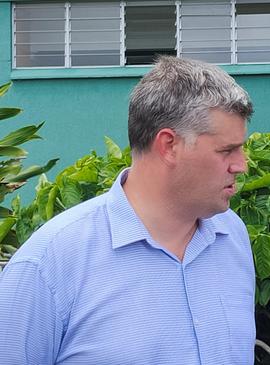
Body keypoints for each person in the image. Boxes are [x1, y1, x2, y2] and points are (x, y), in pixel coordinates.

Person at [0, 56, 255, 364]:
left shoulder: (233, 236)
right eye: (226, 150)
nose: (241, 165)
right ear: (169, 145)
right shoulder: (48, 265)